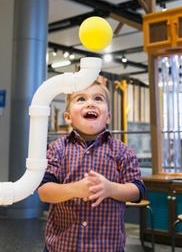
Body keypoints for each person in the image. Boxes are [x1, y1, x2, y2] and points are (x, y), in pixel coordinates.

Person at [38, 80, 145, 252]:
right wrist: (75, 189)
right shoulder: (56, 148)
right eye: (81, 99)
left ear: (108, 116)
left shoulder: (123, 151)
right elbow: (44, 191)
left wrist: (110, 189)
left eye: (98, 98)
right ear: (68, 117)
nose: (90, 103)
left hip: (107, 246)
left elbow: (138, 191)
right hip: (61, 246)